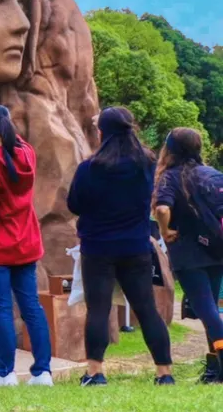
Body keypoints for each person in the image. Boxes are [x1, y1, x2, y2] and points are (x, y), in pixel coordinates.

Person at [67, 106, 173, 386]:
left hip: (97, 247)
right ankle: (164, 373)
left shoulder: (90, 168)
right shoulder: (146, 164)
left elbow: (74, 204)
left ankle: (95, 372)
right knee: (147, 309)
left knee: (98, 309)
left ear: (102, 133)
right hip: (135, 245)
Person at [0, 104, 53, 387]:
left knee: (2, 309)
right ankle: (43, 372)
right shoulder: (27, 152)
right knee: (32, 307)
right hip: (26, 242)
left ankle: (5, 373)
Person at [152, 127, 223, 384]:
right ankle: (215, 370)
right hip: (216, 249)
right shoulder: (213, 174)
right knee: (210, 309)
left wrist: (165, 230)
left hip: (189, 253)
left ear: (170, 149)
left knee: (207, 311)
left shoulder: (170, 177)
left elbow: (162, 209)